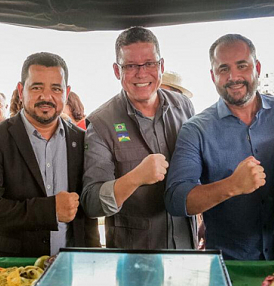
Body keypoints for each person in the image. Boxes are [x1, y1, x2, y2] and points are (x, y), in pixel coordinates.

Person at [165, 34, 274, 260]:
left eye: (242, 65)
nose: (234, 77)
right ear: (213, 76)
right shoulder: (196, 129)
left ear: (257, 67)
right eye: (223, 69)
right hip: (229, 265)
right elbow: (176, 199)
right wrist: (232, 185)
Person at [0, 52, 100, 257]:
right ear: (21, 90)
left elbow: (88, 215)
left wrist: (93, 259)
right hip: (11, 270)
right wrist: (50, 210)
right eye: (37, 87)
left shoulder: (82, 140)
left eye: (55, 89)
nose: (46, 97)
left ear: (66, 92)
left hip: (71, 268)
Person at [81, 26, 196, 249]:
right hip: (135, 258)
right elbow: (92, 202)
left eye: (149, 64)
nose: (141, 73)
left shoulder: (184, 106)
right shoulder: (101, 122)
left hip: (186, 248)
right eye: (131, 65)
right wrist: (135, 178)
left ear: (161, 66)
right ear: (117, 70)